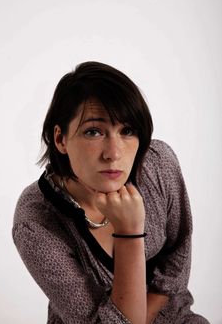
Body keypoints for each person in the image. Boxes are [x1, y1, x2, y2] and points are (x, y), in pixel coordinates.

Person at [12, 61, 209, 324]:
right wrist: (129, 232)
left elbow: (177, 255)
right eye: (94, 132)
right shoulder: (35, 221)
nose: (114, 154)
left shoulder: (158, 164)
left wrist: (141, 316)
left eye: (127, 131)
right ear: (60, 139)